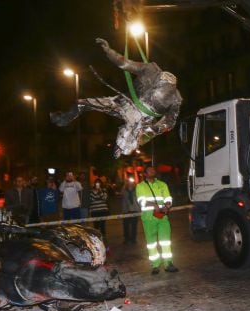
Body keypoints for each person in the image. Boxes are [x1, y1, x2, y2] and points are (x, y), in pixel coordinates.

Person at [50, 37, 182, 159]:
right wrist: (109, 51)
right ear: (158, 79)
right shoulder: (151, 69)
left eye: (167, 90)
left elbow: (169, 122)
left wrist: (151, 129)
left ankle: (122, 146)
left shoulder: (176, 99)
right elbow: (125, 63)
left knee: (124, 147)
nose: (164, 91)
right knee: (83, 103)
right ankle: (64, 119)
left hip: (141, 118)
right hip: (124, 102)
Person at [135, 166, 178, 275]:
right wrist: (155, 205)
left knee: (166, 241)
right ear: (145, 174)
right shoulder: (140, 186)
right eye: (149, 170)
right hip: (148, 217)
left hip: (162, 216)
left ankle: (168, 264)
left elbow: (168, 198)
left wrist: (167, 206)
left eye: (153, 170)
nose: (152, 171)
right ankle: (155, 265)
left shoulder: (162, 184)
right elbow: (141, 201)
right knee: (151, 243)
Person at [122, 178, 140, 244]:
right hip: (126, 210)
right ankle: (126, 239)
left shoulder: (137, 190)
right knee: (126, 225)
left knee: (134, 226)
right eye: (129, 182)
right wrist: (125, 186)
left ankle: (133, 239)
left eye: (132, 182)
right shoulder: (124, 190)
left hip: (134, 209)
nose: (130, 184)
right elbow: (123, 195)